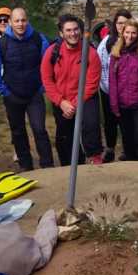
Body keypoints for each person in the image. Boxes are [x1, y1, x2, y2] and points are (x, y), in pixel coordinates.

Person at [0, 5, 53, 171]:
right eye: (16, 21)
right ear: (10, 22)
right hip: (12, 94)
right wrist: (4, 91)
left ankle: (48, 165)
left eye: (23, 20)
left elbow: (47, 65)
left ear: (27, 21)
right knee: (18, 132)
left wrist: (42, 87)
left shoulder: (38, 39)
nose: (20, 24)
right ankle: (26, 166)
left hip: (34, 94)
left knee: (39, 129)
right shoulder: (1, 44)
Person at [41, 14, 103, 166]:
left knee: (91, 126)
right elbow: (47, 80)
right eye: (68, 30)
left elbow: (91, 84)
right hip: (61, 99)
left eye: (76, 29)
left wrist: (74, 104)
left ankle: (95, 158)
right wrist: (61, 102)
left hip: (85, 97)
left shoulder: (90, 53)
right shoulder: (52, 52)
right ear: (61, 33)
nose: (73, 33)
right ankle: (69, 166)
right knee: (64, 137)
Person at [108, 18, 138, 162]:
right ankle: (130, 163)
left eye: (133, 33)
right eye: (127, 32)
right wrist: (114, 104)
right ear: (122, 33)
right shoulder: (116, 54)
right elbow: (112, 81)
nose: (130, 36)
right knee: (127, 137)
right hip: (123, 104)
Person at [96, 9, 131, 162]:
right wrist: (108, 88)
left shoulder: (135, 40)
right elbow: (101, 65)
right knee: (110, 122)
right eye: (119, 23)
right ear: (115, 24)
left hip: (129, 92)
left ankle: (128, 150)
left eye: (125, 23)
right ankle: (110, 150)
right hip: (108, 90)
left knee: (127, 122)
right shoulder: (107, 42)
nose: (122, 26)